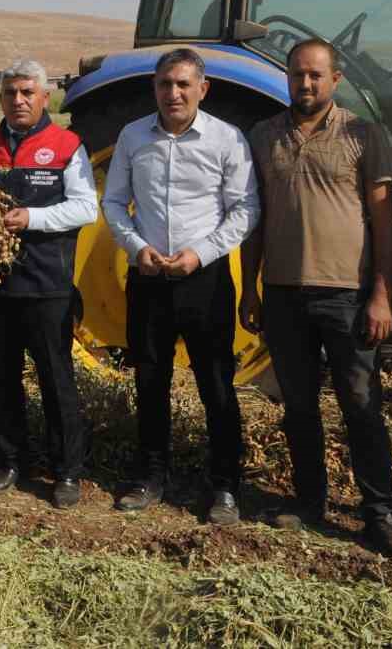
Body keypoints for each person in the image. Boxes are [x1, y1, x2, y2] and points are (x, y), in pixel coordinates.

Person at [237, 39, 392, 558]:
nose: (305, 84)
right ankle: (309, 501)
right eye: (297, 75)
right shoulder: (264, 135)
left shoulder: (364, 135)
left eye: (315, 76)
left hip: (347, 295)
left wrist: (382, 294)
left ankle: (378, 514)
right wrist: (250, 287)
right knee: (298, 405)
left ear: (335, 79)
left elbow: (384, 224)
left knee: (361, 404)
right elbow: (256, 221)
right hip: (284, 294)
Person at [102, 47, 259, 524]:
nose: (174, 93)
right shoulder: (133, 136)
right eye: (165, 84)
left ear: (202, 89)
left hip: (204, 281)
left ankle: (225, 486)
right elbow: (112, 203)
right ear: (155, 88)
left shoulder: (227, 139)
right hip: (148, 277)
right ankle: (150, 476)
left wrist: (201, 253)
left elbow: (246, 209)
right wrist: (135, 247)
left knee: (216, 384)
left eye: (183, 84)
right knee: (151, 380)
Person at [0, 58, 97, 508]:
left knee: (55, 379)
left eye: (28, 92)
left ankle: (66, 472)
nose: (19, 100)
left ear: (45, 97)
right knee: (2, 377)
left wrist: (33, 218)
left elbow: (87, 208)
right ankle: (10, 463)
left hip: (47, 285)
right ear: (1, 98)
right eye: (11, 93)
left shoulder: (67, 146)